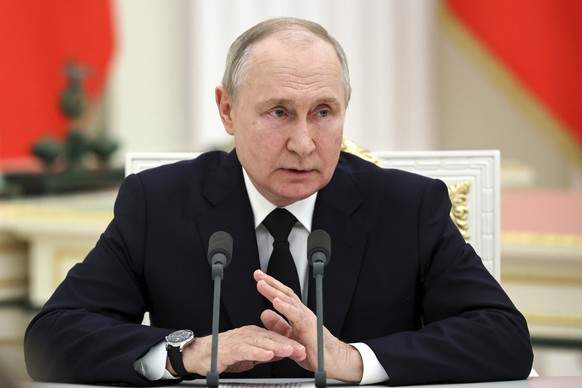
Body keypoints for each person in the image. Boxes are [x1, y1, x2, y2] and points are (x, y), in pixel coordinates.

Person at [24, 17, 533, 386]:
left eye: (324, 112)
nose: (305, 143)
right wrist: (189, 354)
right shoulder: (160, 202)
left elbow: (503, 337)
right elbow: (51, 337)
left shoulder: (408, 205)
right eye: (279, 113)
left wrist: (352, 359)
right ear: (227, 109)